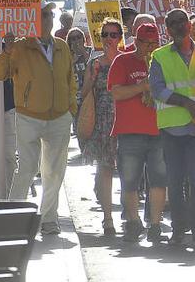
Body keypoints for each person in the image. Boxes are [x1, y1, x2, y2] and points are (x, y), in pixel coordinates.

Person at [0, 0, 77, 236]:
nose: (46, 19)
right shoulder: (19, 46)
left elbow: (70, 79)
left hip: (59, 116)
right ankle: (12, 218)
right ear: (31, 20)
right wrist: (6, 52)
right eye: (41, 15)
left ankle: (49, 218)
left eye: (49, 15)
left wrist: (71, 107)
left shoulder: (62, 45)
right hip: (29, 116)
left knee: (55, 171)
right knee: (27, 168)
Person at [150, 8, 195, 246]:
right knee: (175, 183)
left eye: (181, 21)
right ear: (167, 29)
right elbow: (157, 90)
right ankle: (178, 229)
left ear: (189, 24)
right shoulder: (160, 56)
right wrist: (186, 103)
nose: (178, 26)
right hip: (172, 130)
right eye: (172, 23)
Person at [108, 23, 167, 243]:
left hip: (159, 130)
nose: (150, 48)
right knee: (129, 180)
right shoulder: (122, 61)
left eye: (155, 43)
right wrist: (142, 87)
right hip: (130, 131)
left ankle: (155, 225)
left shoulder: (163, 61)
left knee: (159, 180)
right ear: (136, 40)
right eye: (146, 43)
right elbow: (116, 92)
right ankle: (133, 223)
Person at [79, 17, 124, 235]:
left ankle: (130, 213)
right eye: (105, 34)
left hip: (125, 122)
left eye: (113, 34)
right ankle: (108, 219)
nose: (108, 39)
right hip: (103, 123)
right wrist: (94, 73)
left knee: (128, 171)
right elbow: (85, 92)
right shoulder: (94, 63)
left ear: (120, 38)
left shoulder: (127, 60)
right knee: (105, 168)